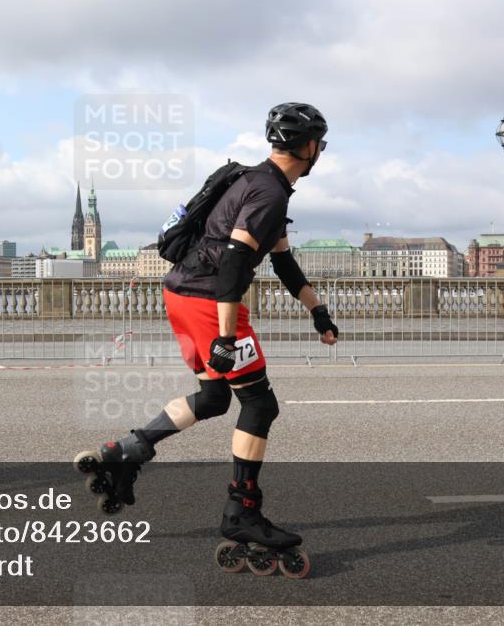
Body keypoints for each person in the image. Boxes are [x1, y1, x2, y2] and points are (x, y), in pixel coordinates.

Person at [76, 102, 338, 574]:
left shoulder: (254, 182)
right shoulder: (269, 194)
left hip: (180, 292)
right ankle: (243, 512)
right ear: (311, 147)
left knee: (216, 397)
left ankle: (126, 452)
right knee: (260, 405)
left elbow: (282, 262)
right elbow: (236, 262)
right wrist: (223, 335)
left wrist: (317, 311)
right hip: (209, 302)